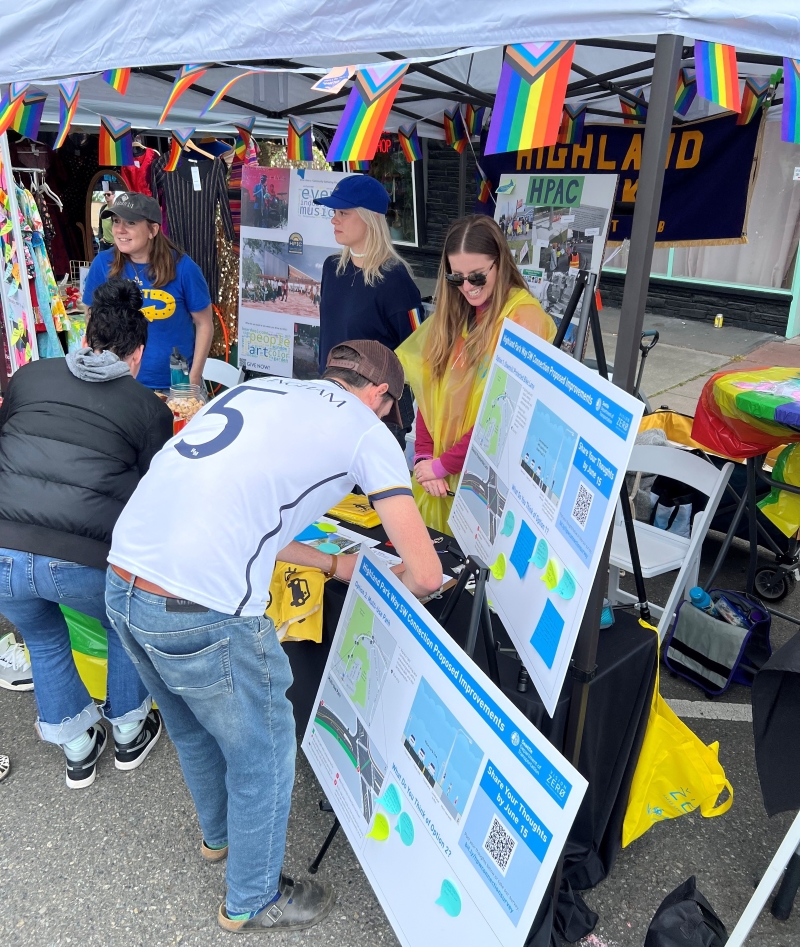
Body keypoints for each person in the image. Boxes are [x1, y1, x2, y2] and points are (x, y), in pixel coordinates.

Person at [105, 340, 442, 934]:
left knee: (191, 726)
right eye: (390, 408)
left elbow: (246, 514)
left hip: (124, 576)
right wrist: (389, 577)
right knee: (264, 751)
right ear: (381, 397)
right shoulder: (368, 430)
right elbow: (427, 574)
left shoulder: (257, 390)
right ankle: (254, 898)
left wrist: (334, 565)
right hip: (199, 604)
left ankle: (221, 839)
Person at [0, 279, 174, 788]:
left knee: (43, 638)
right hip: (82, 556)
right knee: (125, 625)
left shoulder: (28, 377)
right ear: (137, 354)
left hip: (4, 550)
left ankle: (78, 749)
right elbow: (151, 495)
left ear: (84, 336)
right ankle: (128, 732)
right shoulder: (150, 409)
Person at [397, 215, 556, 533]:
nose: (467, 288)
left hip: (486, 486)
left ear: (501, 263)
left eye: (477, 277)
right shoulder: (453, 315)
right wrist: (424, 459)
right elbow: (431, 390)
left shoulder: (525, 321)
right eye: (457, 279)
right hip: (440, 480)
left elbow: (505, 416)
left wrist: (441, 465)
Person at [82, 192, 214, 391]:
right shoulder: (103, 264)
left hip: (174, 386)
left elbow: (205, 324)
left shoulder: (184, 268)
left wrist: (193, 380)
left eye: (131, 223)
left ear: (153, 230)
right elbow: (92, 317)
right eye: (116, 221)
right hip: (120, 384)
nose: (120, 230)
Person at [314, 175, 423, 373]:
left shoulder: (395, 279)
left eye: (343, 213)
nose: (334, 220)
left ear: (371, 217)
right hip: (329, 391)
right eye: (334, 212)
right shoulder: (332, 267)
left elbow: (417, 348)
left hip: (370, 399)